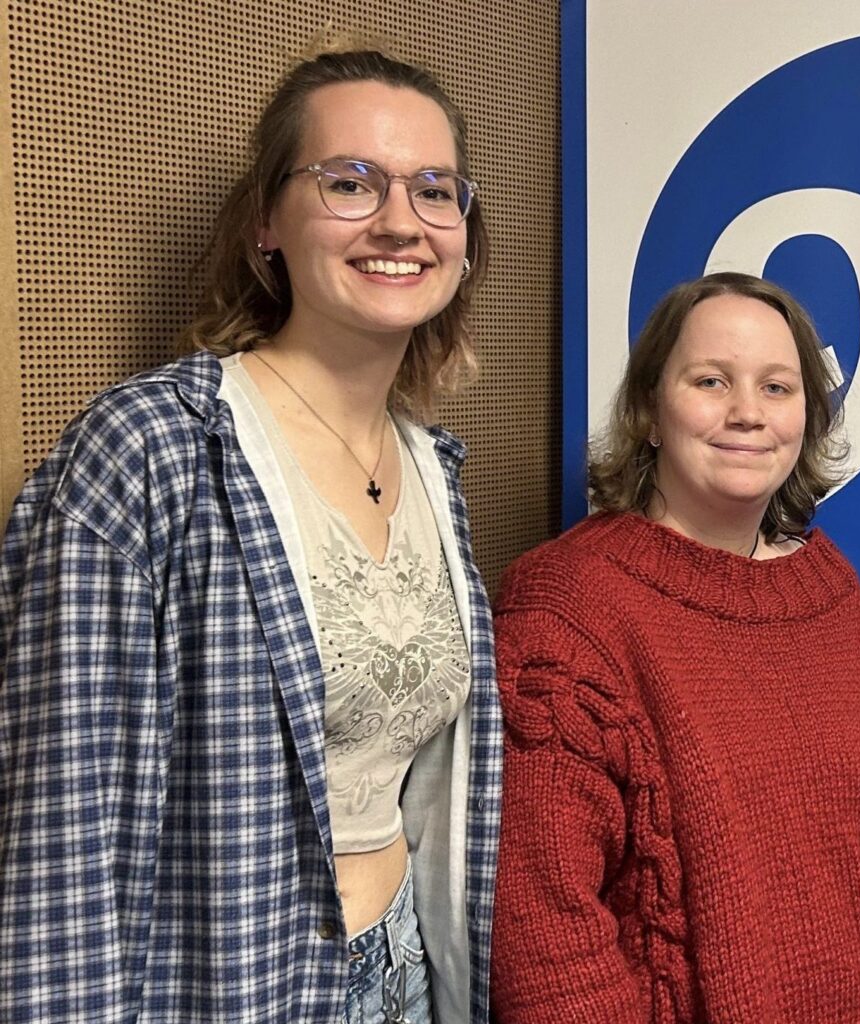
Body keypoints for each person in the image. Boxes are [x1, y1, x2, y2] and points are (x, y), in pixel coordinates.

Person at [0, 49, 499, 1024]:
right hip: (230, 980)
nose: (400, 220)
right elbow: (63, 850)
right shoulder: (148, 452)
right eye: (349, 182)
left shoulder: (434, 469)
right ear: (268, 221)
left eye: (435, 191)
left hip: (410, 969)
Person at [488, 271, 860, 1023]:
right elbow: (542, 933)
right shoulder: (565, 608)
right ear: (650, 412)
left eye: (777, 388)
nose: (747, 414)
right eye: (711, 381)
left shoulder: (830, 588)